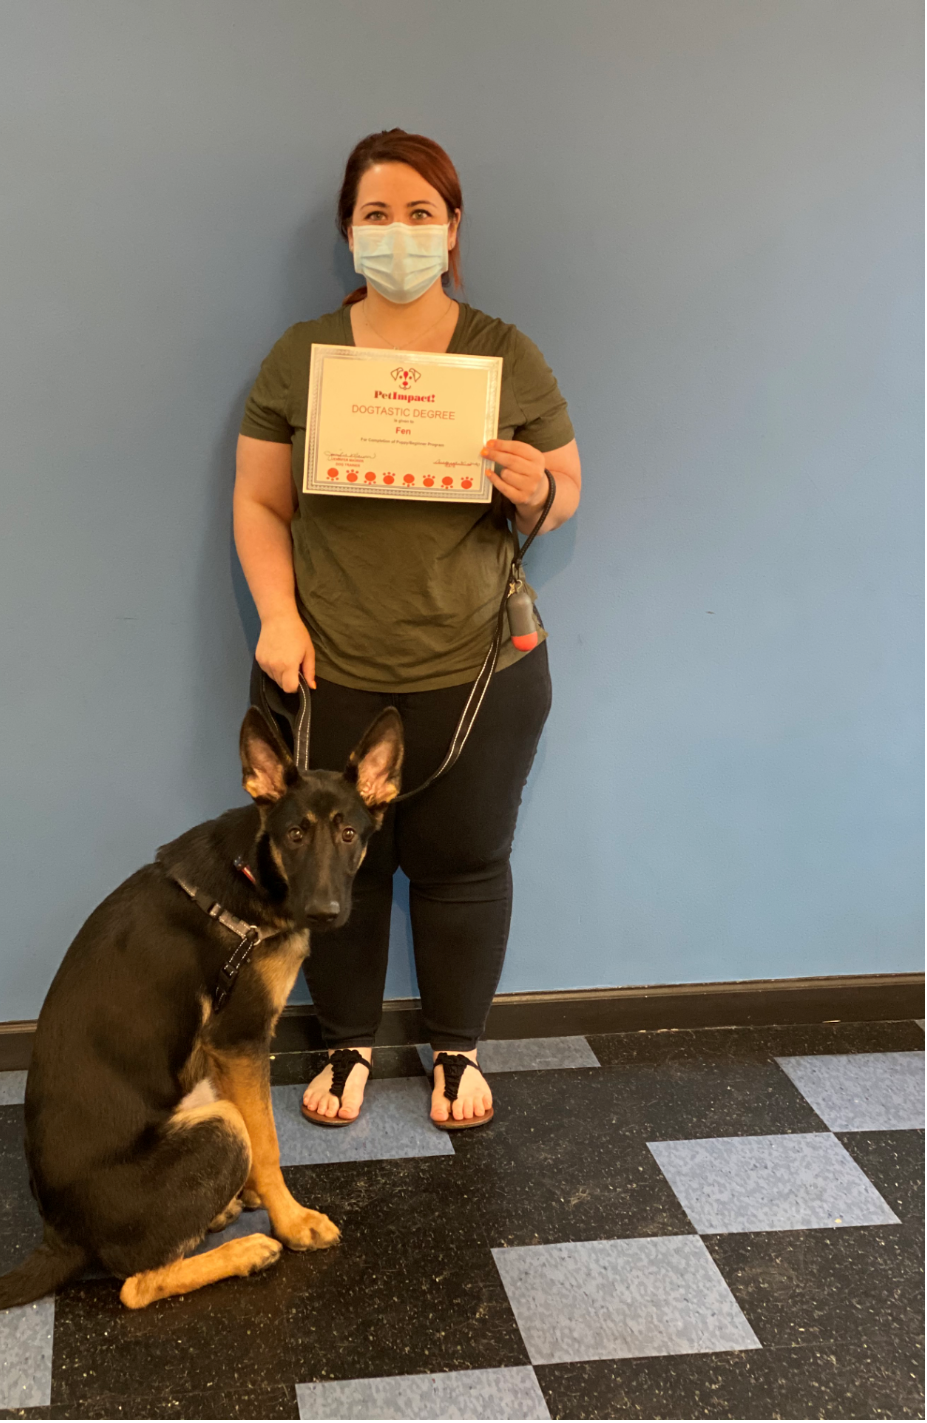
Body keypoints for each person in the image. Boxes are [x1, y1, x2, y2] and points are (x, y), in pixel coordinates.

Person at [233, 129, 580, 1128]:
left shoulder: (502, 352)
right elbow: (259, 503)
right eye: (376, 215)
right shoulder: (301, 356)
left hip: (476, 670)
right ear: (348, 231)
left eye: (419, 213)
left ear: (451, 226)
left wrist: (534, 487)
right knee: (339, 862)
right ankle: (344, 1046)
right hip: (323, 662)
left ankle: (455, 1052)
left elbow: (566, 491)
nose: (398, 234)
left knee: (466, 860)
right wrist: (275, 618)